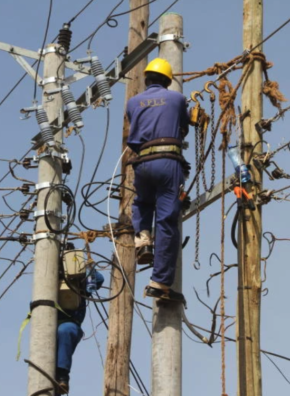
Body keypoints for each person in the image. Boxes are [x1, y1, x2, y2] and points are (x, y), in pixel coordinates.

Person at [126, 58, 190, 303]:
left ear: (147, 78)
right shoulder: (177, 99)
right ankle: (160, 282)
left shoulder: (133, 101)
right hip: (167, 161)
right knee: (166, 221)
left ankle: (142, 237)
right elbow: (183, 127)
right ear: (168, 79)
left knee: (142, 202)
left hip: (142, 163)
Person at [56, 270, 104, 394]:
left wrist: (82, 268)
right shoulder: (48, 280)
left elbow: (98, 279)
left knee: (65, 330)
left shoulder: (79, 283)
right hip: (48, 326)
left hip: (70, 324)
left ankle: (62, 376)